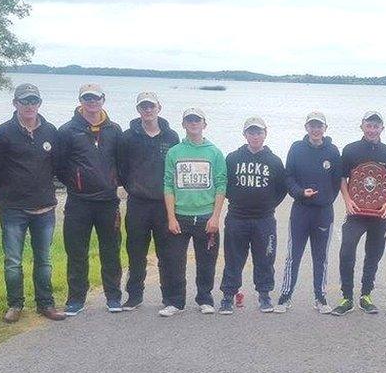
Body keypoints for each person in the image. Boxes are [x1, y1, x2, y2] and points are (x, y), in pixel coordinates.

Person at [0, 83, 65, 323]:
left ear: (39, 104)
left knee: (44, 260)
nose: (29, 106)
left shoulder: (51, 132)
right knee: (13, 262)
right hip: (13, 210)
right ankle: (15, 305)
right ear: (15, 104)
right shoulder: (1, 134)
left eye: (33, 101)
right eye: (24, 101)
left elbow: (57, 167)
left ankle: (46, 304)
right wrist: (4, 197)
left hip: (45, 208)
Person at [55, 83, 124, 316]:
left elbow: (121, 162)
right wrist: (76, 182)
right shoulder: (67, 131)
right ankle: (76, 298)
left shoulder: (114, 130)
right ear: (80, 100)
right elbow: (59, 165)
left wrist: (114, 181)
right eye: (87, 98)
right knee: (76, 252)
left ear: (103, 100)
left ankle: (113, 297)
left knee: (111, 251)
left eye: (95, 98)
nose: (92, 102)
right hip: (78, 202)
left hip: (108, 202)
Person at [117, 91, 180, 311]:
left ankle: (169, 298)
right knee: (136, 252)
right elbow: (122, 168)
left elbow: (175, 169)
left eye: (151, 106)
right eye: (143, 106)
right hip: (138, 204)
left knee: (167, 254)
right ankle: (134, 296)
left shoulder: (171, 137)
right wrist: (133, 187)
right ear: (138, 110)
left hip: (164, 204)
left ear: (159, 108)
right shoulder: (127, 137)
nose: (148, 110)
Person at [218, 117, 287, 314]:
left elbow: (281, 188)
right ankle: (228, 296)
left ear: (265, 133)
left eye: (258, 132)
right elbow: (225, 185)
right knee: (233, 258)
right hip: (237, 218)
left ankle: (264, 295)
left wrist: (268, 204)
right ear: (245, 134)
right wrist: (239, 200)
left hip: (264, 219)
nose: (255, 136)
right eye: (251, 132)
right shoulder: (232, 158)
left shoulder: (274, 161)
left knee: (265, 258)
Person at [162, 108, 227, 316]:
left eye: (197, 120)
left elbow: (220, 185)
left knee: (206, 261)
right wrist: (171, 217)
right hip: (180, 216)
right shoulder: (174, 152)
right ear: (183, 124)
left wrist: (216, 216)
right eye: (189, 120)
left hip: (206, 217)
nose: (193, 123)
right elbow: (168, 185)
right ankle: (175, 302)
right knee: (175, 261)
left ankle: (205, 299)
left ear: (204, 124)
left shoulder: (214, 152)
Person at [332, 111, 386, 316]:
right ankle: (346, 297)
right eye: (368, 125)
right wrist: (347, 200)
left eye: (376, 126)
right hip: (356, 213)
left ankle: (366, 295)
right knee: (347, 251)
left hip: (379, 215)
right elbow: (342, 178)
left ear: (382, 129)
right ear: (362, 126)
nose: (372, 129)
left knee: (373, 255)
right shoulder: (350, 150)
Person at [277, 111, 342, 314]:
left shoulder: (333, 151)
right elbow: (288, 177)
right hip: (300, 211)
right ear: (306, 127)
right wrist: (300, 193)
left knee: (320, 257)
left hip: (323, 213)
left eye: (319, 126)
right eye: (312, 126)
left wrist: (325, 199)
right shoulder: (296, 148)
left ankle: (320, 298)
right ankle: (285, 296)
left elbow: (336, 181)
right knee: (293, 255)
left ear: (325, 129)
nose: (315, 129)